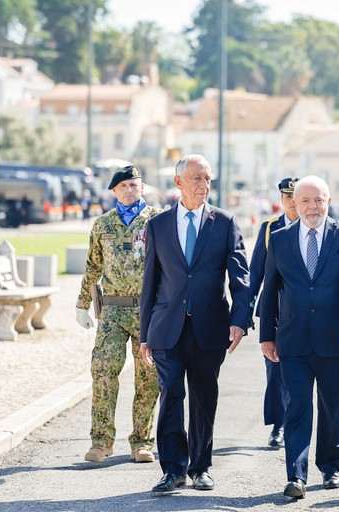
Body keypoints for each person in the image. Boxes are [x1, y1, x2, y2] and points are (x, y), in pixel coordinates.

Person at [139, 154, 252, 493]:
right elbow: (150, 282)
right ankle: (173, 469)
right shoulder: (157, 225)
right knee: (171, 393)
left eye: (207, 179)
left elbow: (241, 279)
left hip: (209, 328)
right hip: (166, 329)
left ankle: (201, 467)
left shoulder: (226, 222)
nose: (204, 185)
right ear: (178, 183)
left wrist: (240, 321)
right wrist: (145, 334)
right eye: (196, 179)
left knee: (203, 398)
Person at [259, 175, 339, 499]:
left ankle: (330, 467)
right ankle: (296, 476)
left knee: (333, 407)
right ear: (294, 204)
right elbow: (270, 290)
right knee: (297, 407)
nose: (313, 207)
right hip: (293, 340)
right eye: (306, 201)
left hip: (338, 338)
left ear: (328, 202)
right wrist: (267, 335)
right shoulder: (280, 239)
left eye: (319, 200)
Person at [75, 164, 160, 465]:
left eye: (133, 185)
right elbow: (92, 266)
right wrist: (82, 303)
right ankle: (101, 441)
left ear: (142, 188)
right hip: (111, 309)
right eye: (122, 186)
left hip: (147, 310)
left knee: (148, 377)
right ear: (113, 191)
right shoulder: (102, 225)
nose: (128, 190)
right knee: (103, 371)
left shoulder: (157, 221)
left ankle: (141, 441)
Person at [249, 177, 299, 448]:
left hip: (303, 311)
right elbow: (255, 273)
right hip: (276, 310)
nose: (292, 201)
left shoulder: (311, 225)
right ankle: (279, 425)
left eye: (296, 195)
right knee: (275, 370)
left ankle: (297, 421)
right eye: (287, 196)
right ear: (281, 199)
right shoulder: (269, 228)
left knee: (300, 370)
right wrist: (245, 310)